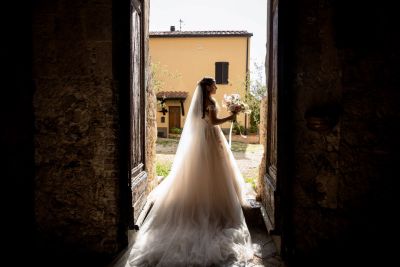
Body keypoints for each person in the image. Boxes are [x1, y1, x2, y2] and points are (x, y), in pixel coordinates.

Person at [125, 77, 253, 266]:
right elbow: (215, 121)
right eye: (214, 84)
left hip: (207, 138)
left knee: (207, 172)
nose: (217, 86)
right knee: (216, 171)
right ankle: (216, 204)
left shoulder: (203, 102)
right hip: (212, 137)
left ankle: (204, 199)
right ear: (209, 87)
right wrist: (231, 116)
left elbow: (206, 121)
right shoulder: (209, 101)